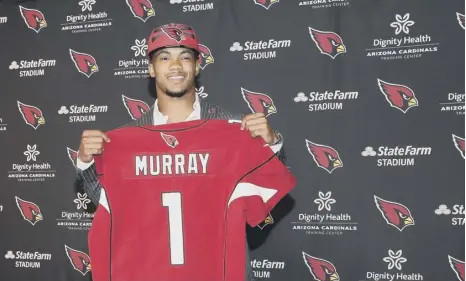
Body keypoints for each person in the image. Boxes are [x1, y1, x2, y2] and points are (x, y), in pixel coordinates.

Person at [75, 23, 286, 281]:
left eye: (184, 57)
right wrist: (87, 162)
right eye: (165, 58)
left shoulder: (235, 128)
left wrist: (270, 143)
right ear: (151, 69)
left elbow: (267, 193)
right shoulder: (123, 139)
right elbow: (108, 205)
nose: (175, 66)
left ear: (197, 66)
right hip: (150, 272)